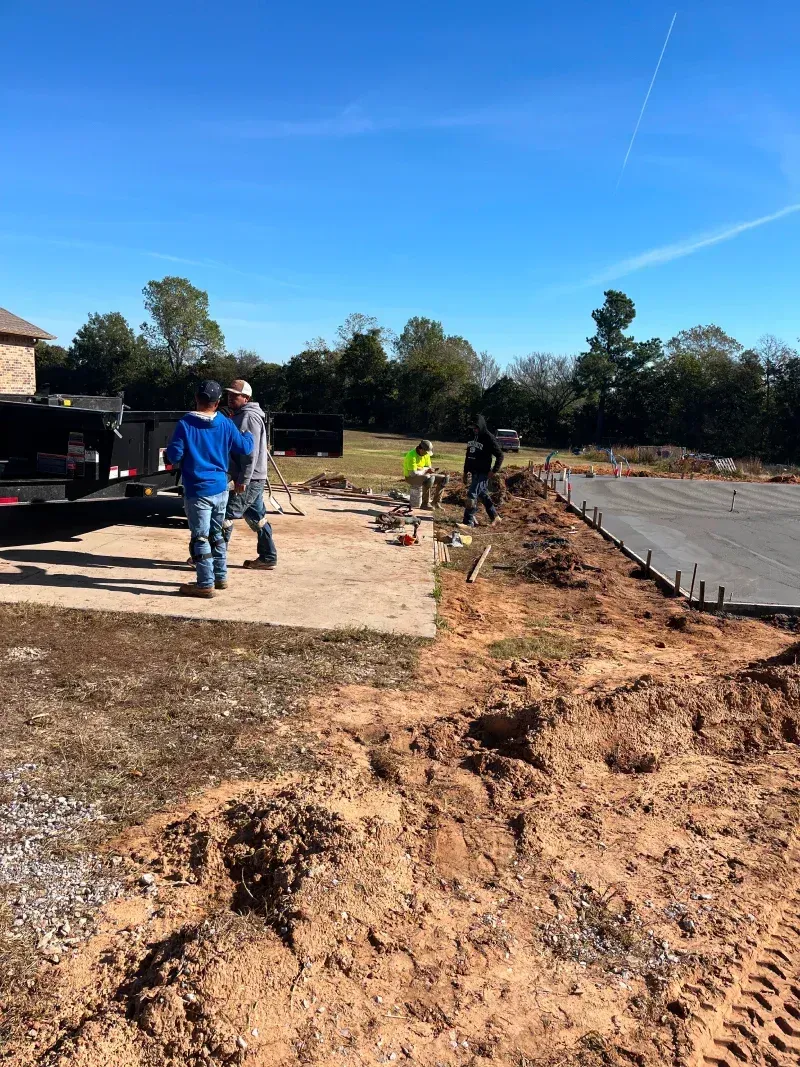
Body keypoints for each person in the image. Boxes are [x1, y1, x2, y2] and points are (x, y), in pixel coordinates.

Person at [166, 380, 254, 598]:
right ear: (217, 403)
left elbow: (174, 456)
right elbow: (244, 447)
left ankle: (205, 583)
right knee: (217, 534)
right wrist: (250, 434)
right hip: (220, 488)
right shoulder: (224, 423)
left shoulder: (186, 423)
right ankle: (220, 577)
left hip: (197, 490)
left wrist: (170, 454)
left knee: (200, 538)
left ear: (197, 399)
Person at [223, 379, 278, 570]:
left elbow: (250, 452)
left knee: (225, 515)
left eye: (234, 395)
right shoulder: (239, 415)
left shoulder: (248, 418)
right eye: (228, 394)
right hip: (251, 477)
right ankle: (268, 557)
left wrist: (243, 479)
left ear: (246, 397)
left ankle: (212, 559)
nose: (230, 397)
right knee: (257, 517)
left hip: (249, 478)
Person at [462, 415, 503, 527]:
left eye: (476, 428)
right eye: (473, 428)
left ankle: (468, 522)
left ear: (481, 426)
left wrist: (494, 471)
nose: (475, 430)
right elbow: (468, 455)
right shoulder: (472, 436)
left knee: (472, 494)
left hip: (483, 472)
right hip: (474, 471)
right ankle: (495, 517)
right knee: (482, 494)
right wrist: (465, 472)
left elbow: (500, 455)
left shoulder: (489, 438)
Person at [402, 439, 448, 510]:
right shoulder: (411, 456)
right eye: (426, 452)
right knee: (429, 478)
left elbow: (429, 467)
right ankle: (425, 503)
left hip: (423, 475)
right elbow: (413, 473)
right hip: (410, 478)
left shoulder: (426, 455)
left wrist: (422, 469)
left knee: (444, 478)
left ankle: (436, 502)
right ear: (421, 449)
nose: (427, 454)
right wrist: (425, 470)